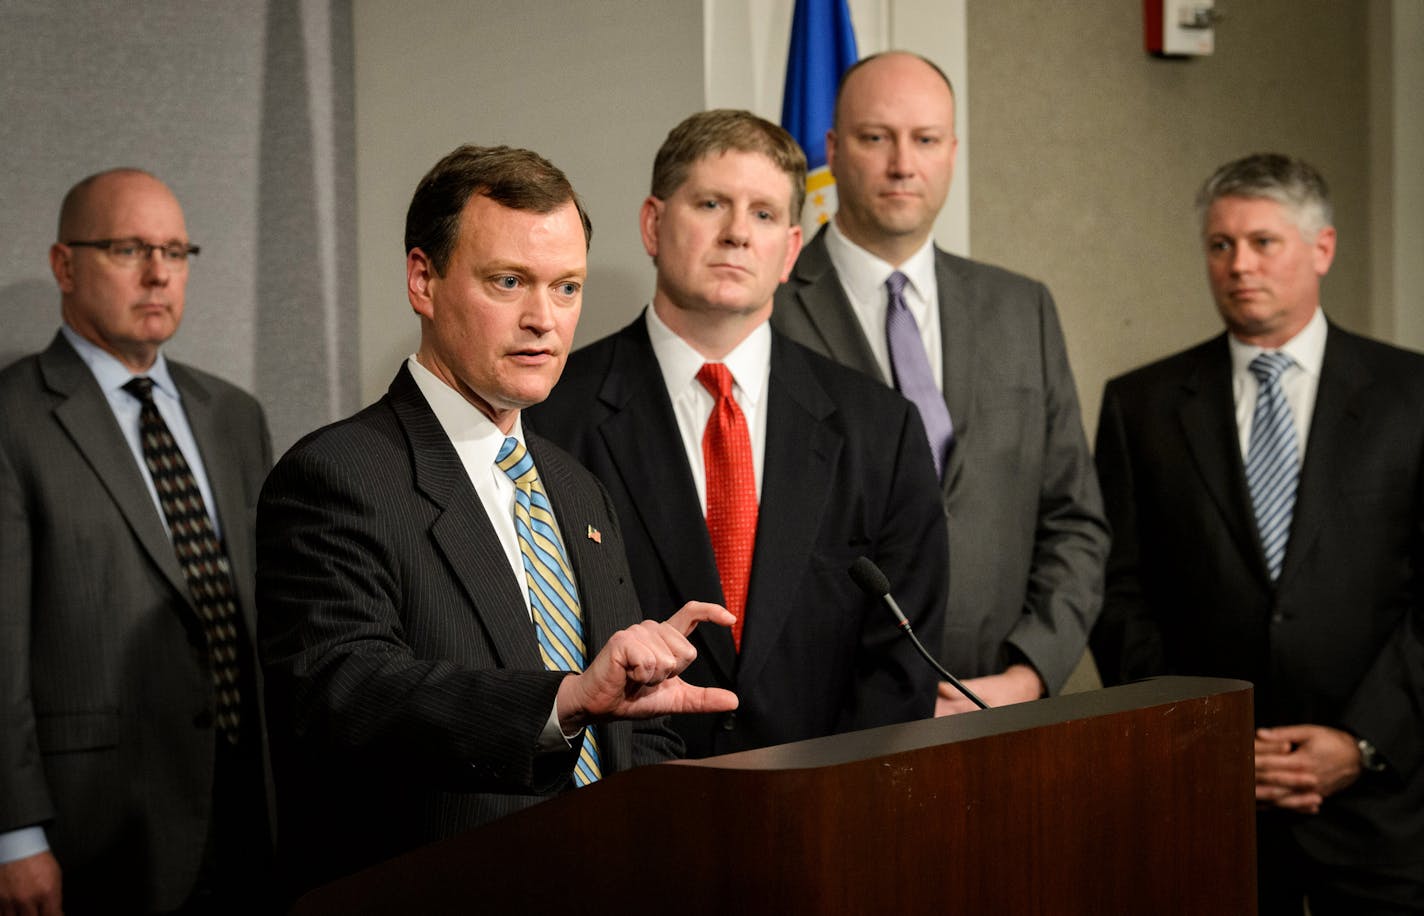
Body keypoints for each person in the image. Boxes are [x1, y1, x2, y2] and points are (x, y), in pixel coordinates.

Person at [256, 144, 738, 893]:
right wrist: (562, 700)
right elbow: (344, 696)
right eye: (508, 281)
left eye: (567, 286)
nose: (542, 319)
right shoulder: (338, 475)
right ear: (424, 280)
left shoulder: (577, 489)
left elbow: (630, 728)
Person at [528, 110, 947, 757]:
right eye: (711, 203)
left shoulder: (881, 429)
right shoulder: (551, 416)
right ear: (652, 224)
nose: (735, 234)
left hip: (826, 813)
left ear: (790, 249)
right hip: (619, 818)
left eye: (762, 214)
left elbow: (899, 671)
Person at [1092, 153, 1424, 913]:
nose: (1238, 265)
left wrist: (1362, 743)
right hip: (1206, 798)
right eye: (1220, 245)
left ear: (1323, 249)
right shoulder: (1139, 405)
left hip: (1381, 807)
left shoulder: (1412, 397)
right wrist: (1198, 740)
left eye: (1263, 242)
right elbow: (1117, 591)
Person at [772, 52, 1108, 713]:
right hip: (832, 719)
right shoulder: (771, 310)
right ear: (834, 150)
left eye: (925, 140)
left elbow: (1075, 521)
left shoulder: (1022, 308)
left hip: (1002, 707)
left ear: (952, 151)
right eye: (876, 138)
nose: (904, 164)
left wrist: (1029, 675)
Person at [0, 169, 275, 913]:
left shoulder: (234, 414)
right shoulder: (13, 418)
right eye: (127, 249)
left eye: (176, 251)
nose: (158, 273)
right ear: (64, 265)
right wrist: (15, 833)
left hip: (250, 800)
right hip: (95, 820)